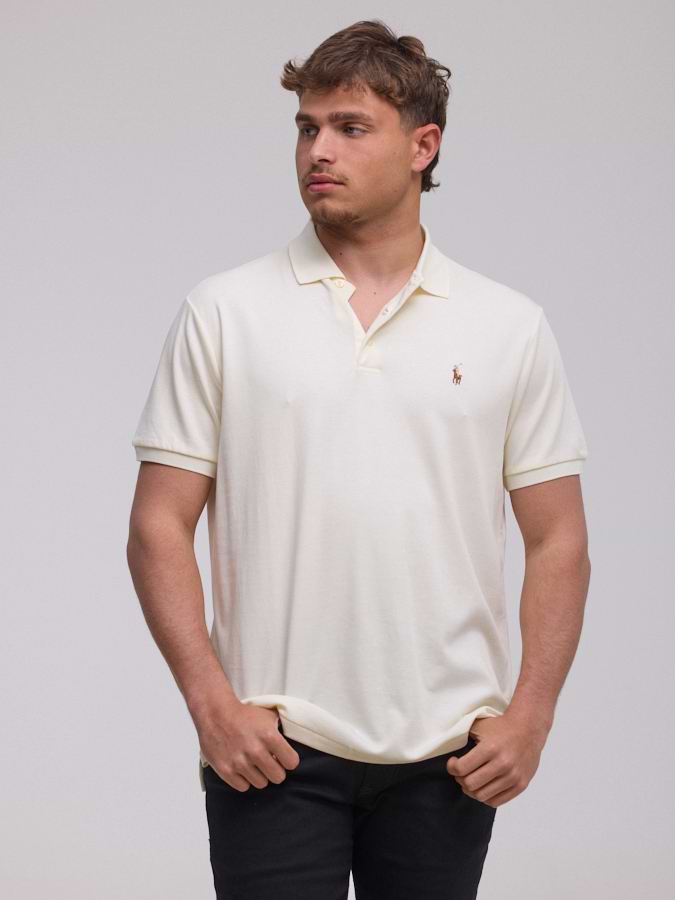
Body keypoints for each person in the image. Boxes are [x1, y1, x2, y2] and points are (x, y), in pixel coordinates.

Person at [127, 18, 591, 900]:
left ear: (423, 146)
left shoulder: (507, 325)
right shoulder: (224, 312)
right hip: (271, 748)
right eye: (307, 127)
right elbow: (157, 525)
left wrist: (529, 716)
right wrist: (212, 707)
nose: (318, 151)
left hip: (449, 754)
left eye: (349, 127)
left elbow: (558, 538)